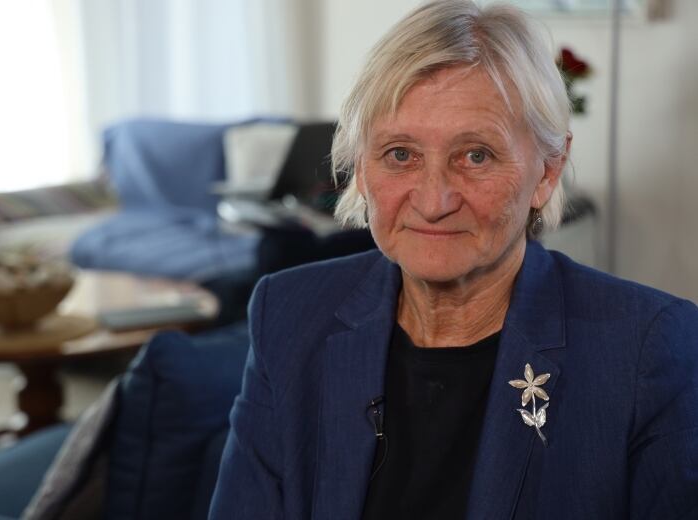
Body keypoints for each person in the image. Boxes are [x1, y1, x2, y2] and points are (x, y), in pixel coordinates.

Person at [209, 1, 698, 518]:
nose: (433, 201)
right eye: (401, 154)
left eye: (476, 155)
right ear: (360, 168)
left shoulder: (650, 348)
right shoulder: (287, 314)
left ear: (548, 172)